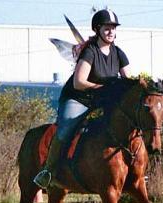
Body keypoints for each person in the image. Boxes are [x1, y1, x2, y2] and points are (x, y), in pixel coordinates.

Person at [33, 9, 131, 189]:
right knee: (65, 129)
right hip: (78, 99)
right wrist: (102, 87)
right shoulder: (90, 52)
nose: (111, 31)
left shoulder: (119, 53)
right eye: (107, 28)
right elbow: (79, 83)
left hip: (101, 101)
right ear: (97, 29)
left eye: (113, 28)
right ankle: (48, 170)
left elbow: (128, 81)